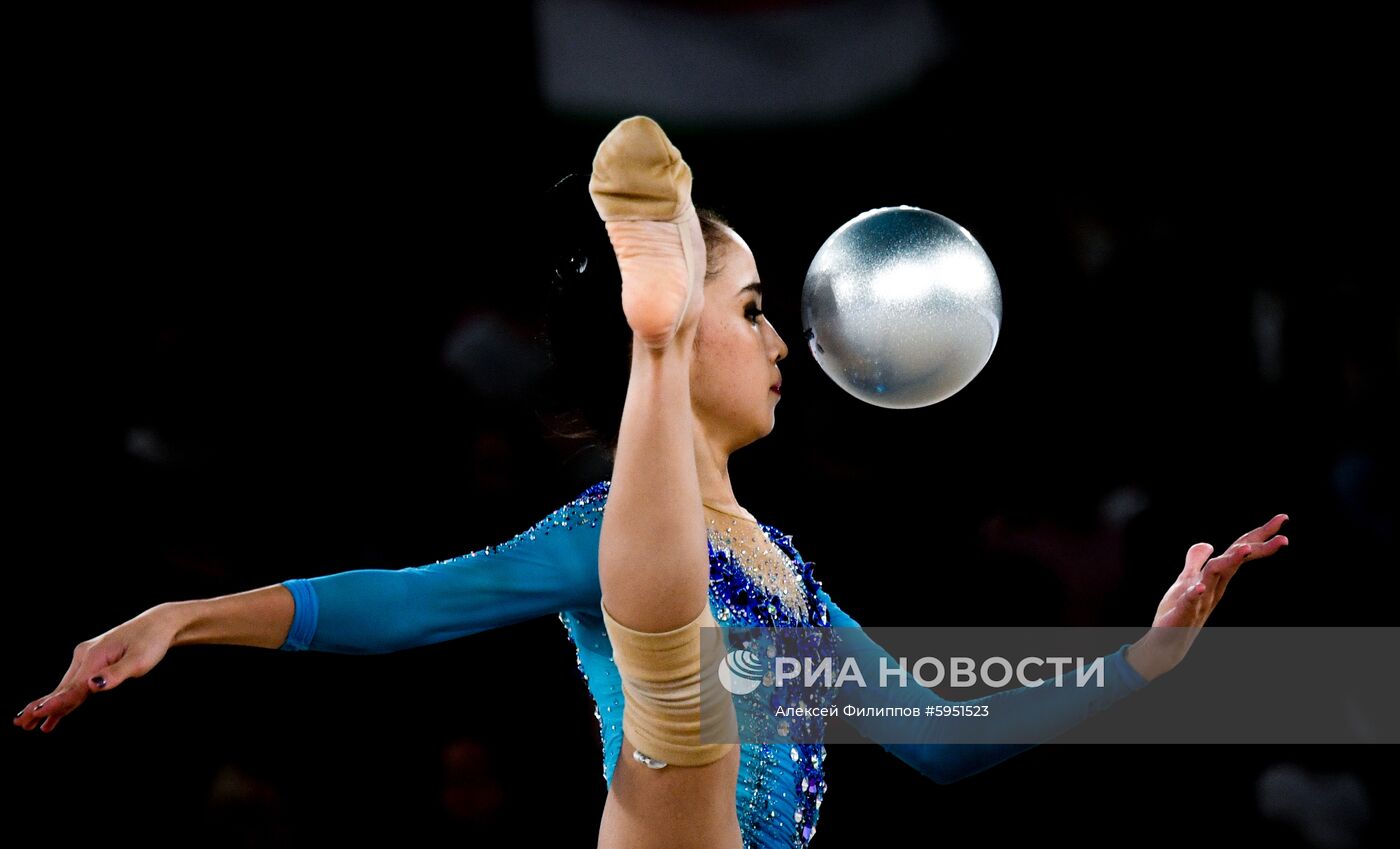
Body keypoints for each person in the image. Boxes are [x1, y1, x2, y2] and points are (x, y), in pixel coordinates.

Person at [15, 116, 1291, 849]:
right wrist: (187, 614)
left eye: (738, 311)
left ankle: (662, 381)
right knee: (681, 696)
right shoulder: (594, 534)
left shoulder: (784, 566)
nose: (787, 342)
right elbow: (396, 606)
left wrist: (1146, 662)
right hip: (666, 823)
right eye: (752, 309)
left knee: (697, 658)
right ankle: (656, 356)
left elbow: (938, 742)